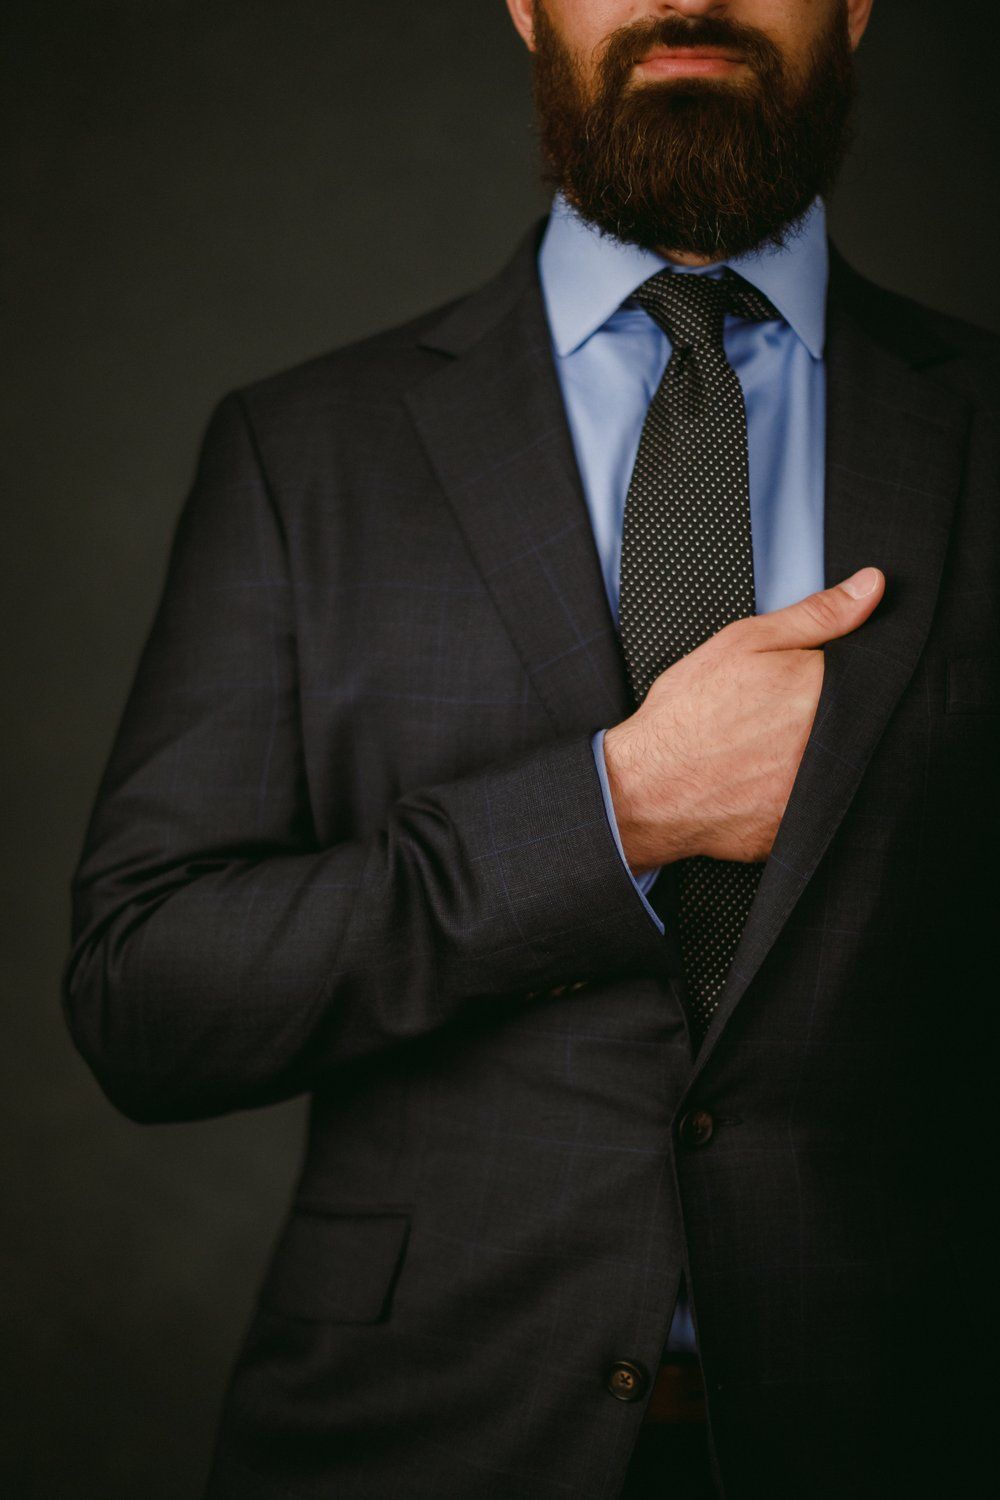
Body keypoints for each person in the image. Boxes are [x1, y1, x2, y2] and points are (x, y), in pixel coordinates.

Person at [61, 1, 997, 1495]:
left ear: (859, 6)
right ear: (524, 4)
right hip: (421, 1437)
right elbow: (146, 999)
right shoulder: (303, 452)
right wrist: (618, 812)